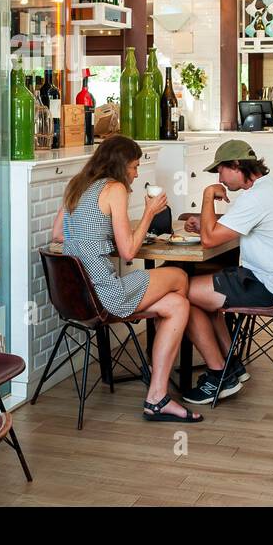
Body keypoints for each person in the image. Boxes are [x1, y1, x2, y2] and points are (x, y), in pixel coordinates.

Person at [51, 135, 202, 422]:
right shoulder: (115, 188)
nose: (136, 173)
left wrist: (97, 239)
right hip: (106, 294)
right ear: (120, 165)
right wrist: (149, 213)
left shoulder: (76, 185)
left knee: (177, 305)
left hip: (79, 296)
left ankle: (157, 396)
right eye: (134, 166)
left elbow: (58, 235)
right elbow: (129, 252)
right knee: (180, 277)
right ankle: (163, 368)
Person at [178, 140, 273, 405]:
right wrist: (206, 224)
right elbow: (229, 228)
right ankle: (231, 364)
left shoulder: (255, 198)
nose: (219, 180)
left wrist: (207, 196)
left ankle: (219, 376)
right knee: (204, 294)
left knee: (182, 293)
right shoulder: (269, 188)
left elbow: (209, 240)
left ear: (236, 165)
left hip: (269, 287)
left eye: (220, 171)